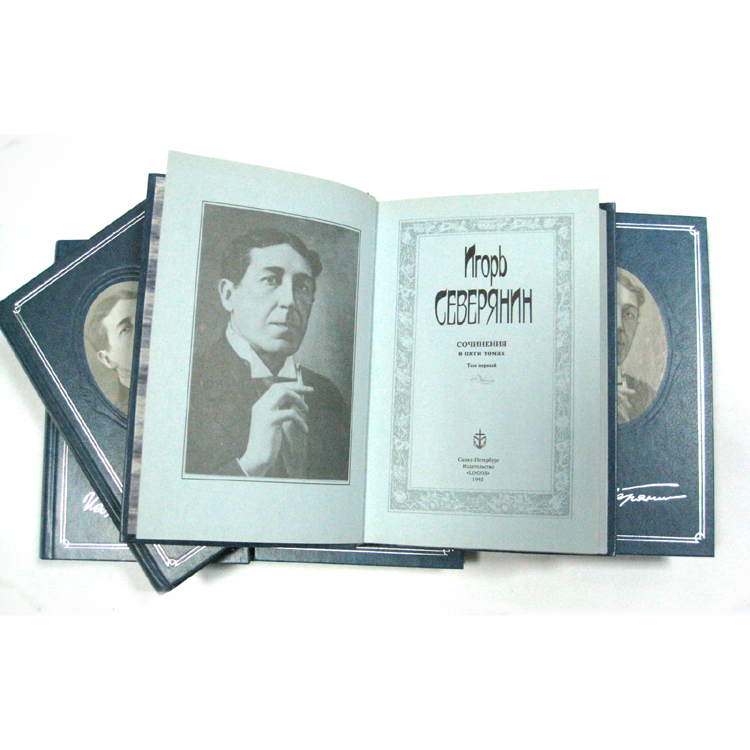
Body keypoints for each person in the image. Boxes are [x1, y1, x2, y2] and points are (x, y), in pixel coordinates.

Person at [185, 228, 350, 479]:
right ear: (228, 295)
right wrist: (252, 464)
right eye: (271, 280)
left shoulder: (328, 397)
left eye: (302, 286)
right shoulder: (187, 385)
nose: (289, 301)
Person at [84, 288, 137, 413]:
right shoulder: (124, 414)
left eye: (144, 319)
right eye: (126, 329)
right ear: (107, 359)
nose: (145, 330)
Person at [616, 268, 655, 424]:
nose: (619, 325)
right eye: (609, 311)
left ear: (637, 325)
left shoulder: (645, 395)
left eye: (628, 314)